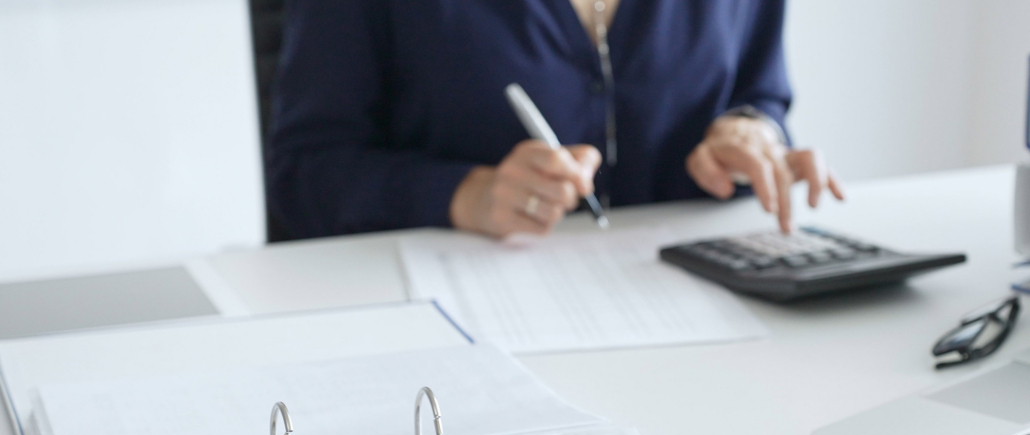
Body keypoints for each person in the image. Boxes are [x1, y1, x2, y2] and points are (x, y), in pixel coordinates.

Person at [269, 0, 844, 241]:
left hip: (702, 322)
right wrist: (463, 196)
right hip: (462, 339)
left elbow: (759, 93)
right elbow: (302, 172)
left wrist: (750, 132)